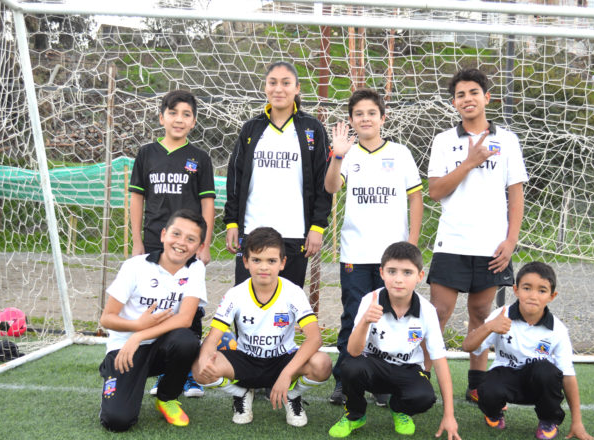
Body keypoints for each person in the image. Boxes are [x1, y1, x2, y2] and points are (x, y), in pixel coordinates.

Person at [426, 68, 528, 400]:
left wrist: (511, 241)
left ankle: (476, 383)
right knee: (438, 313)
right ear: (454, 103)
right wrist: (469, 162)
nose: (467, 99)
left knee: (481, 315)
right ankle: (419, 376)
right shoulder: (444, 141)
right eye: (460, 94)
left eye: (473, 92)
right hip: (452, 242)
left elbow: (515, 195)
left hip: (492, 246)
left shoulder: (508, 140)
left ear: (486, 97)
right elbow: (436, 191)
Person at [324, 88, 423, 407]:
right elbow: (330, 187)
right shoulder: (347, 153)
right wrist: (337, 155)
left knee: (390, 316)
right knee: (354, 315)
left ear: (383, 117)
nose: (365, 118)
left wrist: (413, 243)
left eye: (371, 113)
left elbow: (415, 198)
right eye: (358, 114)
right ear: (351, 120)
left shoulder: (401, 153)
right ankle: (344, 379)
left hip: (392, 257)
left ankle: (382, 380)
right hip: (355, 252)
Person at [192, 227, 332, 427]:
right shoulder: (236, 294)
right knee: (199, 367)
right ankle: (241, 393)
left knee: (323, 363)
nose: (264, 267)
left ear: (282, 263)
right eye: (257, 260)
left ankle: (292, 396)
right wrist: (205, 358)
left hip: (283, 361)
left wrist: (287, 374)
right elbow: (213, 337)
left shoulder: (293, 292)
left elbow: (314, 339)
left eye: (271, 261)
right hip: (246, 360)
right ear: (246, 262)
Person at [328, 242, 462, 440]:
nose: (398, 279)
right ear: (382, 273)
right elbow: (353, 351)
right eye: (392, 271)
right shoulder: (370, 300)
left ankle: (398, 407)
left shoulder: (427, 311)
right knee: (350, 367)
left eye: (407, 272)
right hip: (372, 366)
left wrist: (449, 415)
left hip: (407, 369)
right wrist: (365, 321)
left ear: (420, 276)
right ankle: (355, 415)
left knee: (424, 397)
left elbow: (440, 361)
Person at [129, 89, 216, 397]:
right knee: (156, 303)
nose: (179, 119)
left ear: (193, 121)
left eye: (187, 114)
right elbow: (136, 198)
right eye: (174, 113)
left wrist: (204, 244)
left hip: (188, 246)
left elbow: (207, 204)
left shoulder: (199, 158)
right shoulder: (146, 154)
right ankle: (158, 368)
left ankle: (187, 375)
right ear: (162, 115)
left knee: (189, 308)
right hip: (155, 242)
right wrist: (137, 241)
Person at [223, 61, 332, 288]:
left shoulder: (312, 128)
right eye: (272, 83)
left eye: (286, 83)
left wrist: (317, 226)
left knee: (286, 309)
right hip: (253, 229)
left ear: (297, 88)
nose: (278, 89)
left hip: (294, 233)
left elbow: (323, 181)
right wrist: (232, 221)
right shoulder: (251, 128)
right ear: (265, 87)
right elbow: (235, 177)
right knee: (247, 305)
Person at [98, 209, 208, 432]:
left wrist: (140, 333)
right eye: (176, 234)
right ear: (163, 235)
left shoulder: (195, 268)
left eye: (191, 239)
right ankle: (111, 370)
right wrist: (135, 327)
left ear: (198, 246)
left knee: (187, 341)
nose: (181, 243)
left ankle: (166, 397)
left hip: (160, 346)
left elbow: (186, 319)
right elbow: (106, 318)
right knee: (117, 421)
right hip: (125, 350)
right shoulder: (135, 267)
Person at [462, 262, 594, 440]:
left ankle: (548, 419)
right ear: (516, 290)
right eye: (527, 288)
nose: (533, 296)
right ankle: (494, 413)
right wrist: (489, 327)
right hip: (506, 377)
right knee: (486, 388)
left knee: (546, 370)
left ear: (552, 296)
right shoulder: (501, 315)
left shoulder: (557, 329)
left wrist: (577, 422)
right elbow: (467, 346)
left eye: (542, 290)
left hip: (536, 383)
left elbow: (568, 375)